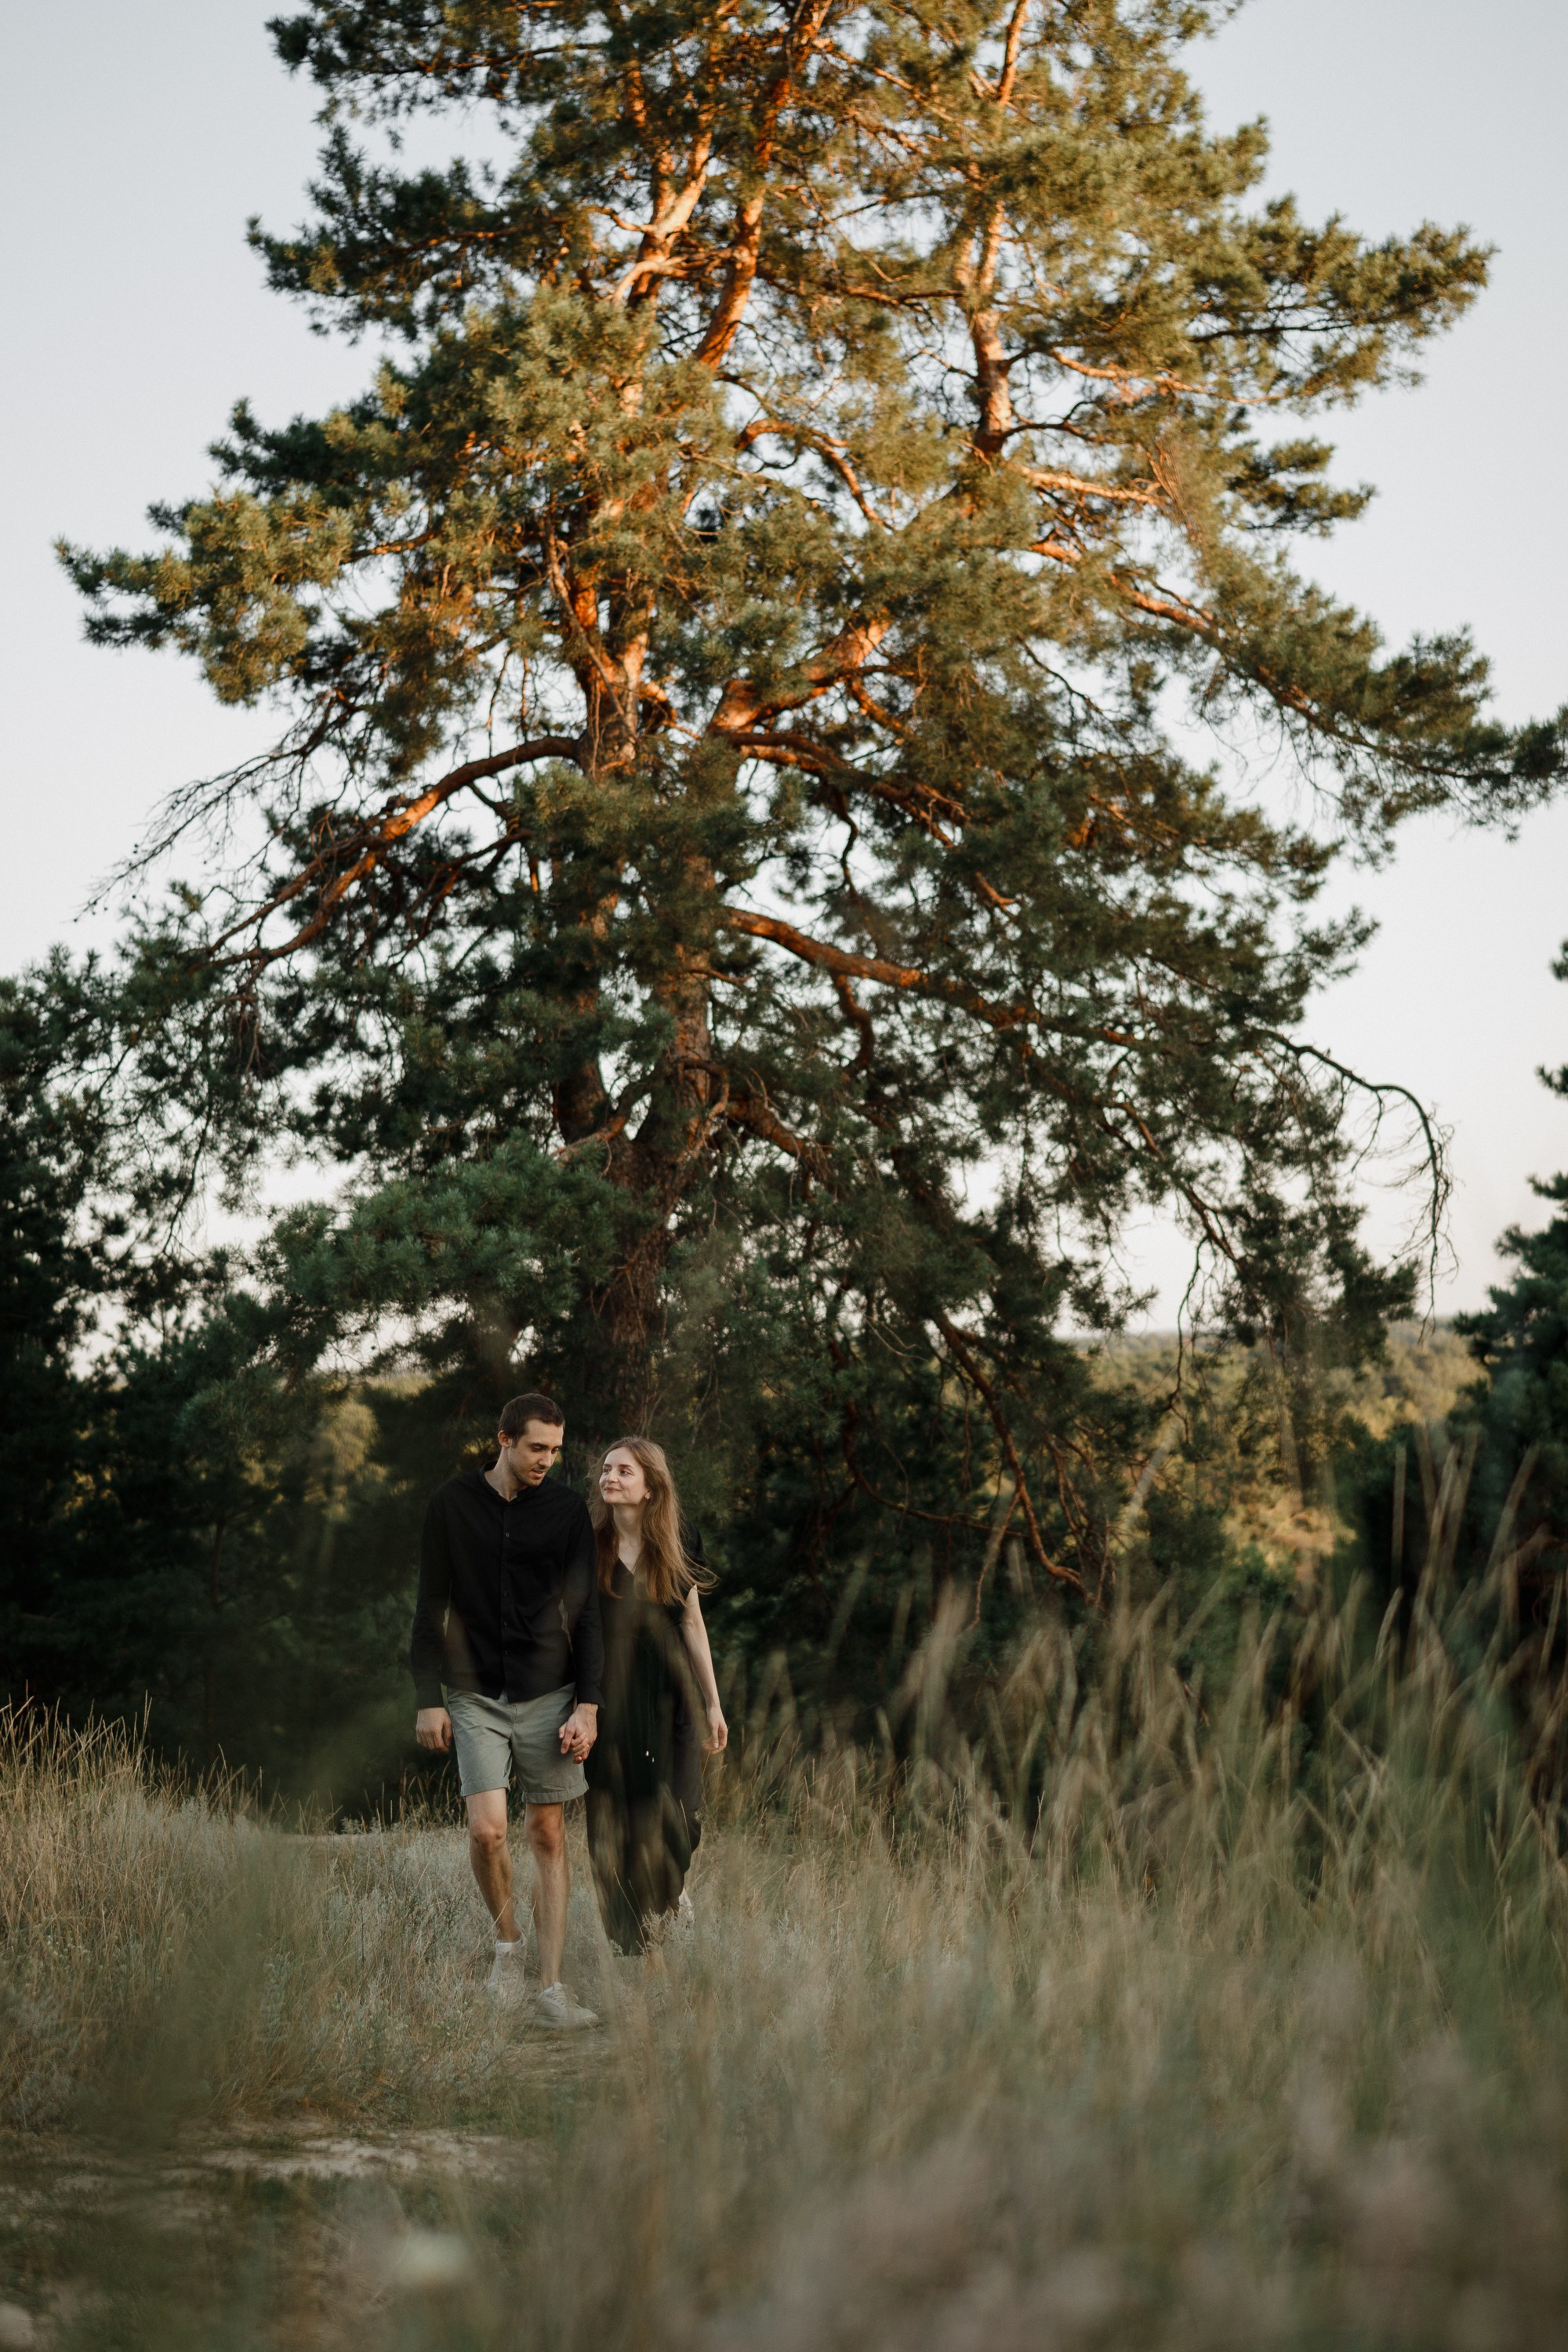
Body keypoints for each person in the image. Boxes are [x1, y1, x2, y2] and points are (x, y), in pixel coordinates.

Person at [409, 1392, 603, 2029]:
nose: (547, 1459)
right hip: (472, 1692)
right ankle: (507, 1947)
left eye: (555, 1449)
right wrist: (426, 1698)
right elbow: (429, 1604)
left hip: (549, 1691)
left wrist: (589, 1705)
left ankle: (550, 1988)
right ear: (504, 1441)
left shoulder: (569, 1512)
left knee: (546, 1833)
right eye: (536, 1448)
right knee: (487, 1830)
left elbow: (587, 1614)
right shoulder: (451, 1504)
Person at [586, 1436, 728, 1956]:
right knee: (619, 1820)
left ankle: (673, 1888)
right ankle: (632, 1948)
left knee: (684, 1815)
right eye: (606, 1470)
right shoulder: (590, 1543)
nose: (610, 1478)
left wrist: (713, 1703)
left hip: (674, 1699)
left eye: (624, 1471)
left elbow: (692, 1622)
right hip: (612, 1700)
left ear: (650, 1487)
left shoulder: (680, 1539)